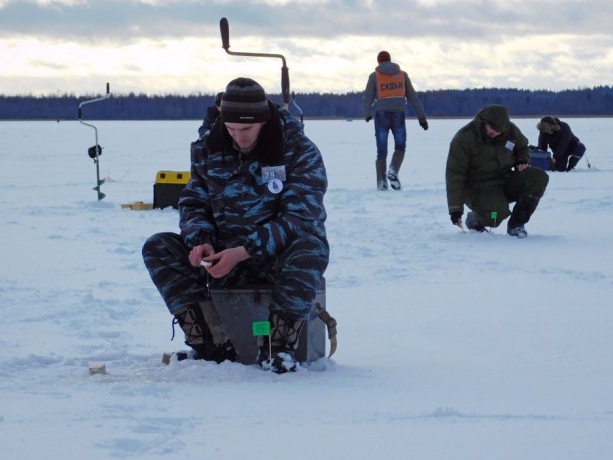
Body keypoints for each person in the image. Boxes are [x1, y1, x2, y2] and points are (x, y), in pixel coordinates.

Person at [142, 77, 329, 374]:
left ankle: (278, 349)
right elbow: (194, 200)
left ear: (264, 121)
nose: (239, 137)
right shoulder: (208, 148)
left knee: (311, 248)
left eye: (246, 129)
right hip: (223, 257)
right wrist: (199, 239)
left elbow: (301, 217)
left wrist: (244, 251)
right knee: (158, 246)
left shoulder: (297, 150)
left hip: (276, 258)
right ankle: (211, 345)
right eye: (231, 129)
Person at [446, 104, 549, 238]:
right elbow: (455, 174)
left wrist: (522, 160)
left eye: (499, 131)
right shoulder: (464, 138)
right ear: (484, 122)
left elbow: (522, 147)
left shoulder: (510, 130)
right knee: (495, 216)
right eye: (493, 129)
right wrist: (455, 209)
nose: (496, 133)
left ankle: (516, 225)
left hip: (505, 179)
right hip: (477, 188)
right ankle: (475, 219)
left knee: (538, 177)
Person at [363, 50, 429, 191]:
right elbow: (413, 97)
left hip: (381, 114)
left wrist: (367, 113)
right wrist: (422, 118)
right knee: (400, 146)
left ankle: (381, 182)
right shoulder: (402, 75)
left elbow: (368, 96)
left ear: (379, 62)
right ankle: (393, 170)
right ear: (390, 59)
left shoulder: (374, 76)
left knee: (381, 149)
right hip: (399, 114)